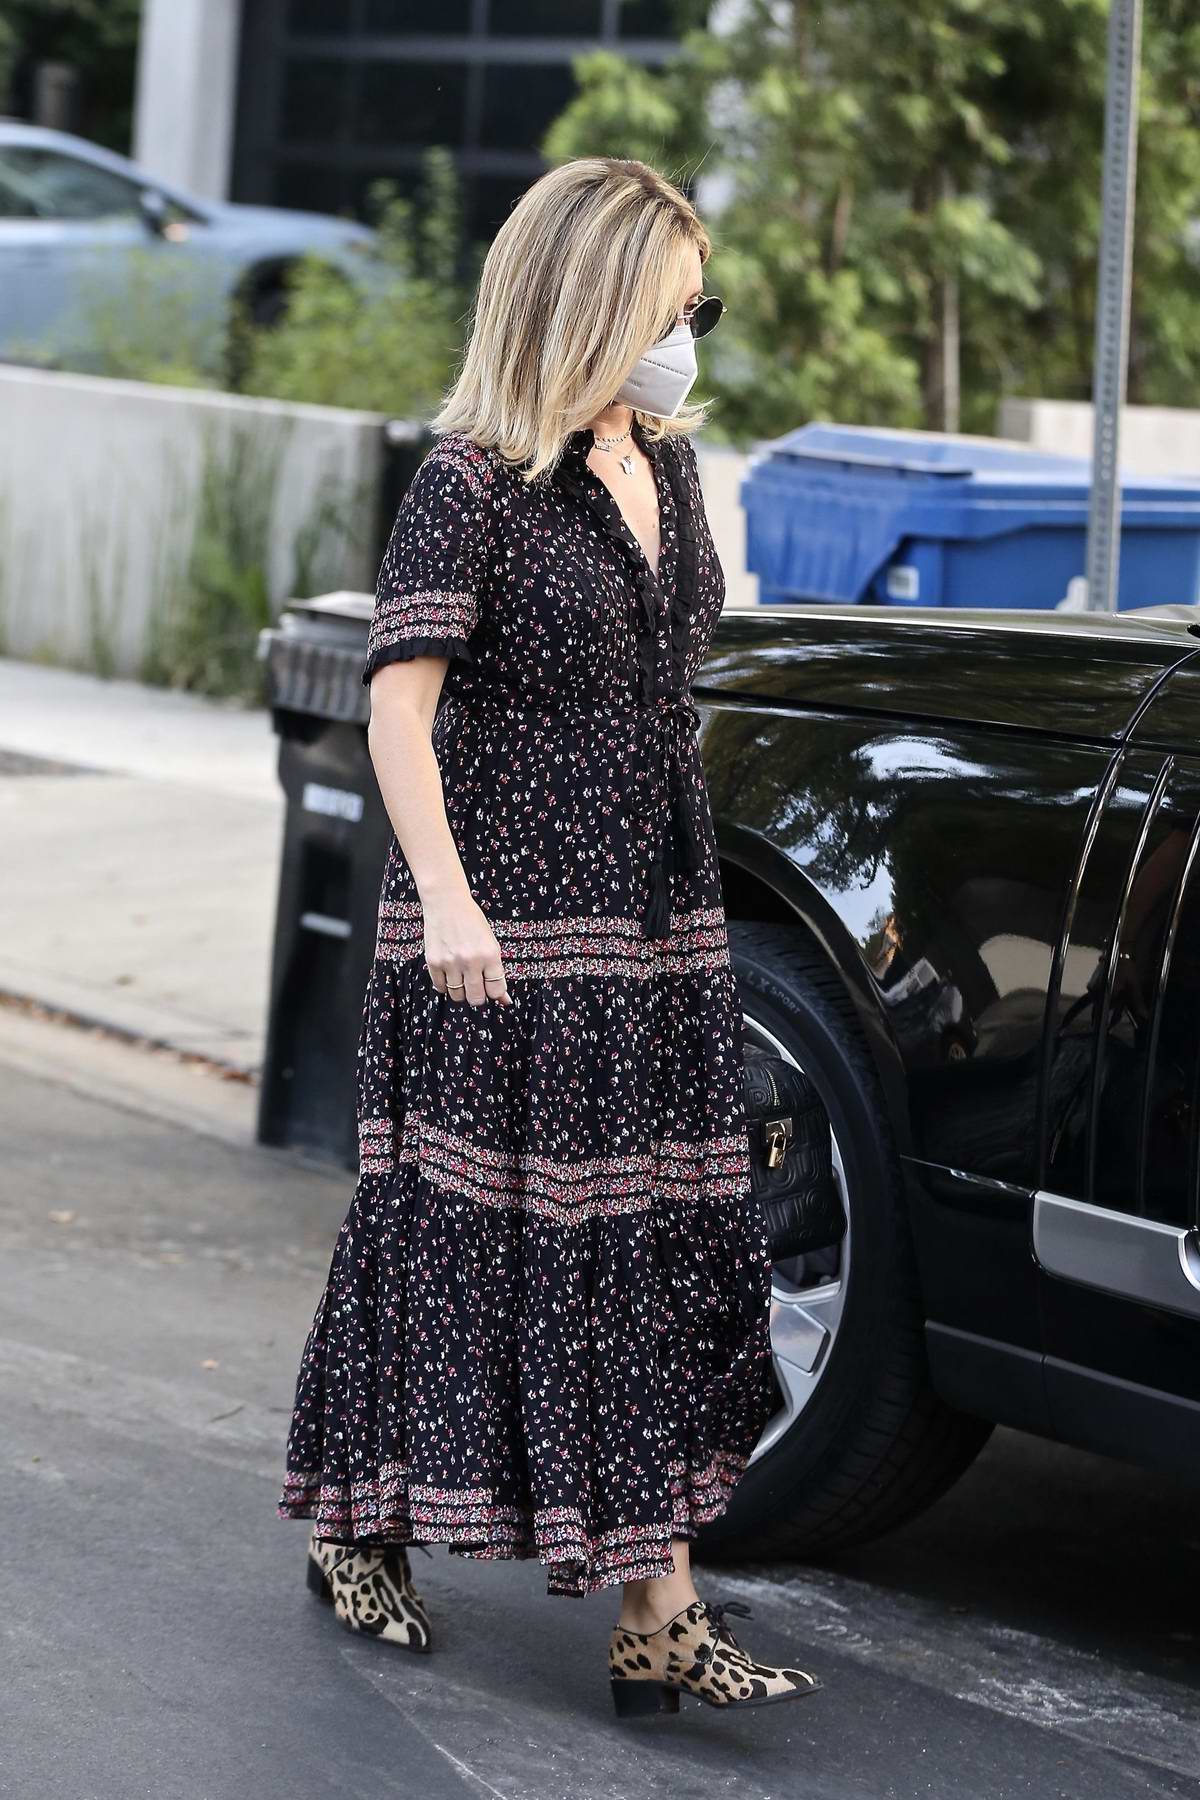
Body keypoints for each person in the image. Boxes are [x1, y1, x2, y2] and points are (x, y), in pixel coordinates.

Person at [277, 155, 823, 1718]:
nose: (692, 331)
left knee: (638, 1251)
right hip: (499, 921)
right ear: (595, 296)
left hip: (651, 919)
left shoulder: (673, 462)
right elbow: (398, 708)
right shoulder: (471, 479)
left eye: (702, 304)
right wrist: (446, 902)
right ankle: (379, 1529)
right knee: (455, 1241)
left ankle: (658, 1614)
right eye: (676, 300)